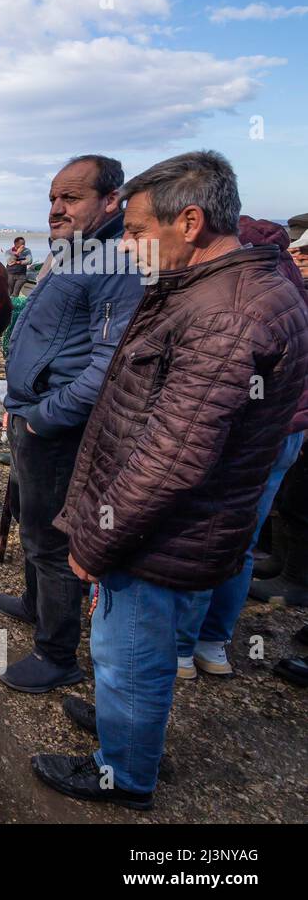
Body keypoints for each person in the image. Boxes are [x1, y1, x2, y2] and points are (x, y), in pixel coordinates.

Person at [34, 151, 308, 810]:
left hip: (162, 530)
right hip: (178, 521)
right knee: (131, 650)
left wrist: (97, 541)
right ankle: (119, 727)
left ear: (190, 221)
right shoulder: (216, 287)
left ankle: (122, 773)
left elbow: (173, 458)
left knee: (131, 651)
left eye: (135, 231)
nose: (125, 248)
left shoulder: (226, 316)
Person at [0, 154, 141, 693]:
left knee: (53, 538)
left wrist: (42, 419)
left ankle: (57, 655)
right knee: (29, 520)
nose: (56, 209)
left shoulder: (117, 263)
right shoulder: (77, 253)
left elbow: (108, 364)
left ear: (110, 201)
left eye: (71, 198)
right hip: (30, 413)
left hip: (55, 427)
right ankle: (35, 604)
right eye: (53, 198)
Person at [172, 215, 308, 671]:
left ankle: (181, 649)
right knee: (242, 537)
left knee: (202, 535)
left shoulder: (240, 297)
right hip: (288, 431)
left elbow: (224, 382)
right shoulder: (289, 287)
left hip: (245, 431)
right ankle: (215, 645)